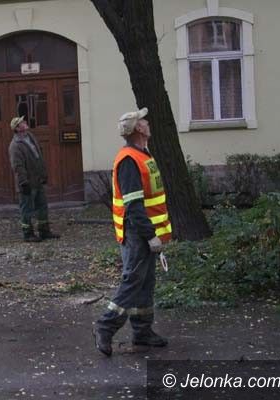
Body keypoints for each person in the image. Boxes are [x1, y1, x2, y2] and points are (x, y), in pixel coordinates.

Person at [93, 108, 172, 356]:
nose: (148, 122)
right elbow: (134, 206)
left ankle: (142, 332)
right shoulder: (130, 159)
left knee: (145, 282)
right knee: (133, 281)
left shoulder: (141, 154)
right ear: (138, 128)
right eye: (143, 120)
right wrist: (150, 235)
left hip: (143, 231)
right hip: (137, 233)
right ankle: (105, 327)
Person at [8, 116, 60, 242]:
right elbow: (18, 166)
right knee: (27, 209)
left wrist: (43, 175)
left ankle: (44, 231)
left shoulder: (30, 137)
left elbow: (39, 156)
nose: (25, 122)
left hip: (38, 180)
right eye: (22, 122)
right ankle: (28, 234)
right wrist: (23, 183)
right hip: (27, 183)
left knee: (42, 206)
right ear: (17, 128)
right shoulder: (15, 146)